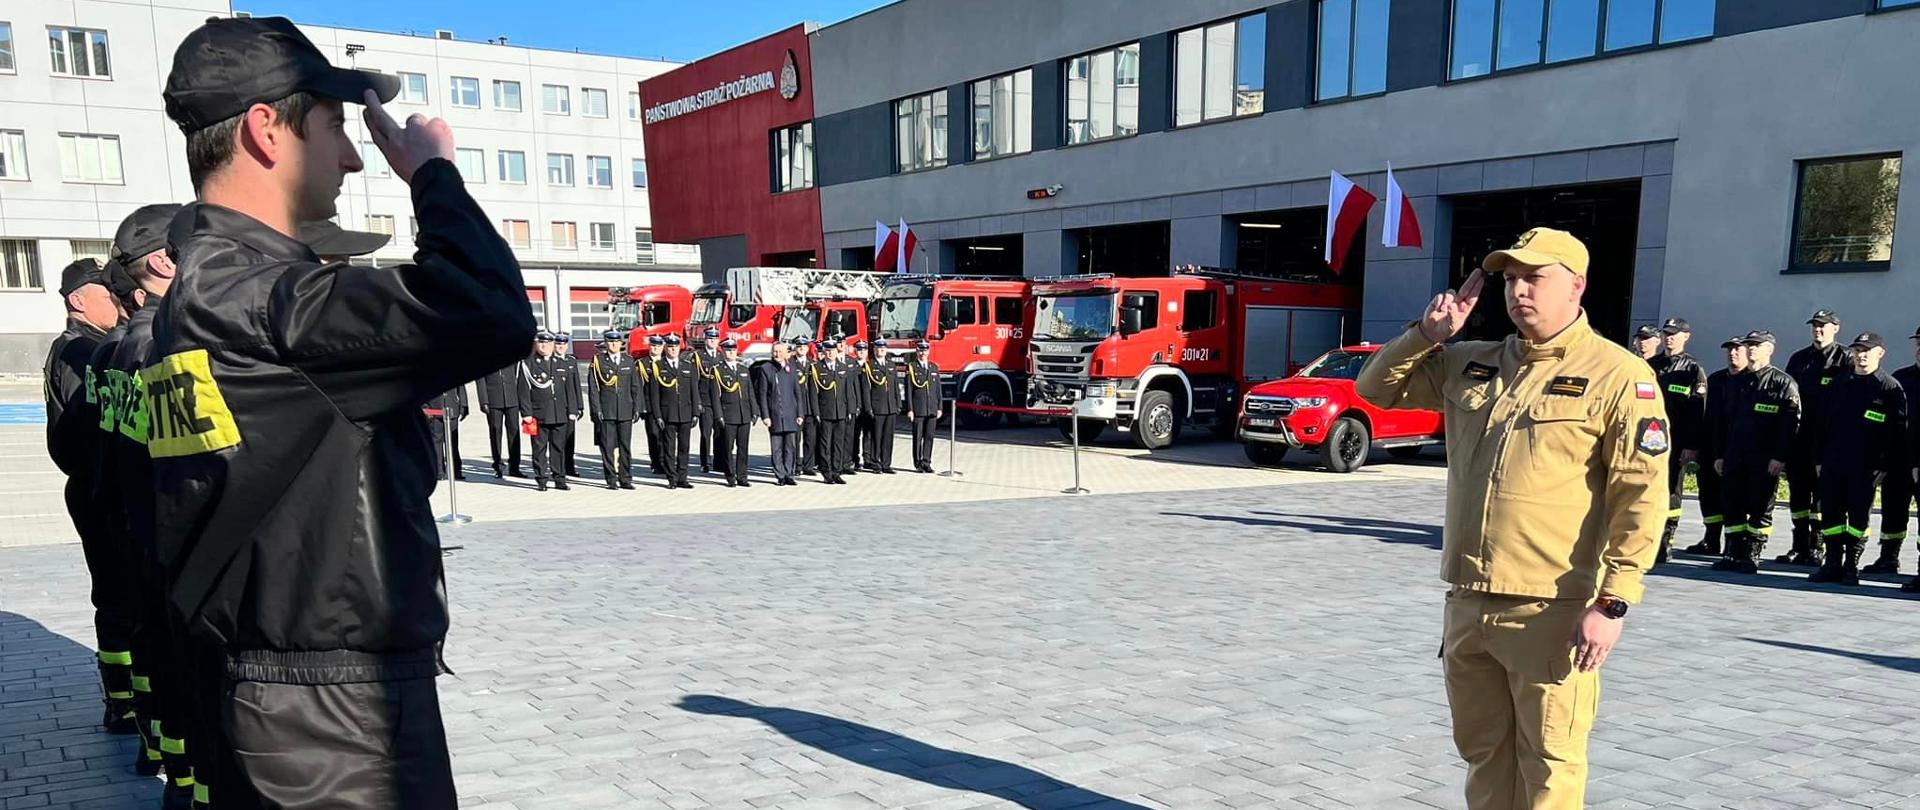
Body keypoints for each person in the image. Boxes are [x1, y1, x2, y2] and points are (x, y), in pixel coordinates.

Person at [149, 16, 535, 808]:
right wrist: (432, 175)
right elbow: (490, 310)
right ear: (266, 130)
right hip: (330, 720)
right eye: (334, 127)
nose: (355, 157)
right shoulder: (265, 303)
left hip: (268, 687)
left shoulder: (196, 296)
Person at [1354, 227, 1667, 810]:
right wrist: (1427, 335)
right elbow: (1375, 389)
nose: (1518, 290)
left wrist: (1613, 602)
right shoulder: (1473, 362)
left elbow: (1640, 495)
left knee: (1550, 764)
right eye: (1511, 278)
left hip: (1550, 610)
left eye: (1534, 277)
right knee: (1484, 754)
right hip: (1468, 602)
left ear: (1576, 285)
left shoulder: (1619, 376)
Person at [89, 207, 208, 807]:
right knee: (188, 676)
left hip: (136, 530)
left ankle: (167, 763)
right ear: (163, 262)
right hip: (175, 543)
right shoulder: (165, 347)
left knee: (156, 661)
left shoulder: (111, 350)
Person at [43, 257, 136, 735]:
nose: (115, 303)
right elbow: (93, 432)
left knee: (118, 594)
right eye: (106, 295)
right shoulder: (81, 352)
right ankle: (123, 701)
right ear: (78, 300)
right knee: (119, 595)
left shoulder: (84, 346)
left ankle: (125, 697)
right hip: (99, 491)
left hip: (97, 488)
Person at [1806, 332, 1907, 586]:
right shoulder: (1839, 383)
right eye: (1858, 350)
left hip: (1866, 466)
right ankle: (1832, 563)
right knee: (1831, 513)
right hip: (1834, 461)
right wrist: (1818, 458)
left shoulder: (1889, 388)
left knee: (1858, 516)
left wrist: (1885, 464)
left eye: (1867, 351)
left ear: (1880, 354)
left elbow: (1897, 432)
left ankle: (1851, 564)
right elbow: (1821, 423)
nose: (1861, 355)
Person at [1711, 331, 1800, 574]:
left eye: (1756, 345)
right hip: (1735, 455)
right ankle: (1732, 552)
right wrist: (1719, 454)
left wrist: (1780, 456)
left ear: (1769, 349)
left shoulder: (1782, 383)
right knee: (1732, 504)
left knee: (1761, 506)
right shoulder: (1736, 381)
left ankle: (1752, 553)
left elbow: (1790, 425)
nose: (1751, 349)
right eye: (1749, 345)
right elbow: (1722, 421)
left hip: (1765, 458)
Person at [1781, 309, 1853, 566]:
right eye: (1815, 325)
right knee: (1798, 494)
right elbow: (1788, 397)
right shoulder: (1800, 359)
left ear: (1836, 328)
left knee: (1823, 495)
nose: (1818, 330)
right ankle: (1799, 545)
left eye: (1823, 325)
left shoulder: (1846, 358)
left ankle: (1817, 546)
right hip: (1800, 437)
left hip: (1828, 439)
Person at [1682, 336, 1748, 557]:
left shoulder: (1750, 380)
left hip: (1736, 447)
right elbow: (1707, 415)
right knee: (1709, 494)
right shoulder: (1717, 379)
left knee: (1733, 497)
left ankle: (1733, 543)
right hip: (1712, 445)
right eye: (1729, 350)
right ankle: (1711, 539)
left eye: (1737, 350)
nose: (1732, 354)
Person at [1649, 318, 1707, 564]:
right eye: (1666, 333)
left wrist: (1692, 445)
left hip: (1677, 441)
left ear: (1686, 336)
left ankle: (1666, 540)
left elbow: (1697, 411)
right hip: (1650, 440)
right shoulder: (1651, 365)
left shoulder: (1693, 369)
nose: (1669, 338)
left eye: (1674, 334)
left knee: (1672, 490)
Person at [1867, 327, 1920, 578]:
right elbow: (1886, 422)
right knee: (1892, 510)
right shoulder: (1900, 378)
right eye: (1918, 343)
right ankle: (1888, 557)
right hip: (1898, 458)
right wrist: (1882, 458)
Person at [523, 332, 580, 491]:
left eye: (548, 343)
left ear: (553, 345)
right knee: (539, 448)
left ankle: (559, 478)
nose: (544, 346)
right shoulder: (528, 364)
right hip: (538, 414)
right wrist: (526, 413)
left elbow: (570, 389)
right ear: (536, 344)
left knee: (558, 448)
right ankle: (541, 479)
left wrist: (572, 410)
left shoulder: (561, 363)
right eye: (541, 343)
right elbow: (523, 391)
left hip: (559, 413)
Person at [588, 331, 641, 490]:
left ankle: (625, 478)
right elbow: (593, 388)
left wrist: (637, 407)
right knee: (608, 447)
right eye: (610, 342)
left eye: (616, 342)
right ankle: (611, 479)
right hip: (607, 410)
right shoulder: (598, 361)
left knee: (625, 447)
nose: (613, 344)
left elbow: (635, 386)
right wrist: (596, 409)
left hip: (625, 410)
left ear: (620, 344)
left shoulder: (629, 361)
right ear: (606, 343)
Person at [650, 334, 701, 489]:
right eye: (670, 347)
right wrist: (657, 415)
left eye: (675, 347)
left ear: (680, 348)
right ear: (666, 348)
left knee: (684, 447)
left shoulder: (688, 366)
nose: (673, 350)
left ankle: (682, 477)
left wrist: (695, 412)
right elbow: (654, 394)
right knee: (669, 448)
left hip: (685, 412)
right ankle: (672, 478)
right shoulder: (658, 366)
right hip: (668, 414)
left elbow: (694, 391)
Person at [754, 340, 805, 486]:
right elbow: (762, 394)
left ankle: (789, 474)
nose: (777, 354)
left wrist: (800, 414)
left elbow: (797, 393)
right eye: (775, 352)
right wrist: (765, 415)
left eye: (780, 352)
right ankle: (780, 475)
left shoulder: (792, 369)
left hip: (790, 414)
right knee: (777, 448)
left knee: (790, 447)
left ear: (786, 353)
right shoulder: (766, 369)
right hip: (774, 415)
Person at [708, 339, 757, 487]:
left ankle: (742, 476)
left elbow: (750, 392)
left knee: (743, 448)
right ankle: (730, 475)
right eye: (728, 350)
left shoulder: (743, 369)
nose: (731, 353)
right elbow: (715, 396)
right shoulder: (717, 370)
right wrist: (718, 415)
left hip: (744, 414)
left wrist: (755, 410)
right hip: (728, 414)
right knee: (728, 448)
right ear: (723, 352)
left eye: (733, 350)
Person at [809, 339, 850, 485]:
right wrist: (816, 412)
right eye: (827, 351)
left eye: (832, 351)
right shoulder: (817, 368)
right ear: (824, 352)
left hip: (841, 411)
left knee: (838, 444)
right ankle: (827, 473)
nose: (830, 353)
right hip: (825, 412)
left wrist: (849, 409)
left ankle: (836, 472)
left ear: (836, 352)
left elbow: (847, 391)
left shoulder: (842, 367)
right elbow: (813, 393)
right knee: (825, 444)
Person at [475, 358, 524, 478]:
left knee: (514, 432)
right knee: (495, 431)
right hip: (493, 399)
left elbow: (517, 374)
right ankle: (498, 465)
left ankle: (514, 466)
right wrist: (483, 401)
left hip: (512, 398)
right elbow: (480, 380)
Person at [860, 339, 902, 473]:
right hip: (877, 407)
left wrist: (898, 404)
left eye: (883, 348)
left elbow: (895, 386)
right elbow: (866, 389)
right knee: (876, 437)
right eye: (879, 348)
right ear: (874, 350)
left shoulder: (891, 365)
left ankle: (886, 464)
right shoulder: (869, 366)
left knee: (888, 437)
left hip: (890, 406)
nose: (881, 350)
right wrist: (868, 407)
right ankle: (875, 463)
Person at [905, 341, 941, 473]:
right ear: (917, 352)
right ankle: (918, 463)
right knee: (918, 437)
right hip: (918, 408)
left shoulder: (933, 367)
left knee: (929, 436)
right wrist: (910, 409)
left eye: (925, 351)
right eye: (920, 351)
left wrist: (939, 407)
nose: (923, 353)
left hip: (931, 408)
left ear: (928, 352)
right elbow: (909, 390)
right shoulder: (912, 367)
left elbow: (938, 390)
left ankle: (927, 461)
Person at [690, 328, 723, 474]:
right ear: (705, 340)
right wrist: (697, 402)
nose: (712, 341)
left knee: (719, 432)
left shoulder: (721, 355)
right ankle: (706, 462)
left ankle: (718, 461)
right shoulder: (698, 356)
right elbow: (694, 381)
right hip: (705, 400)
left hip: (719, 401)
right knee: (705, 433)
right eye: (710, 339)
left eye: (715, 339)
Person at [422, 385, 468, 481]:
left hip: (452, 407)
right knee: (436, 441)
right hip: (434, 409)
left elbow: (461, 387)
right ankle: (439, 471)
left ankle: (456, 470)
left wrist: (464, 405)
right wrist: (425, 407)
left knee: (453, 442)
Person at [837, 340, 864, 478]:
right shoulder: (832, 361)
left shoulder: (851, 362)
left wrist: (858, 403)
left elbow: (855, 385)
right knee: (838, 436)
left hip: (851, 404)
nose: (841, 345)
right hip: (838, 404)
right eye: (838, 343)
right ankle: (837, 464)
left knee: (849, 436)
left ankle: (847, 464)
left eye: (842, 342)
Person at [793, 338, 820, 476]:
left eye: (804, 346)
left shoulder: (812, 365)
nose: (801, 349)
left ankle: (808, 466)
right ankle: (796, 466)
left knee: (810, 439)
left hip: (809, 407)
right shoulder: (790, 364)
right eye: (799, 346)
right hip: (796, 408)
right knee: (795, 439)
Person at [641, 335, 668, 476]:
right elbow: (638, 387)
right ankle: (656, 463)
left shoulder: (667, 362)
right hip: (650, 406)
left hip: (667, 405)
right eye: (653, 345)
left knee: (667, 436)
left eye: (658, 346)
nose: (655, 348)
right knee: (653, 435)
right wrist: (641, 407)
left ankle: (666, 462)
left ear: (663, 347)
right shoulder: (642, 364)